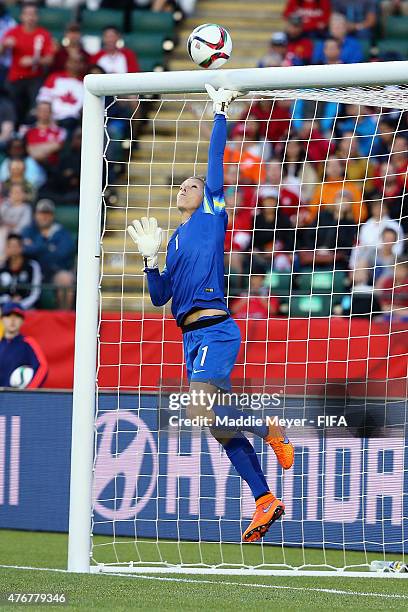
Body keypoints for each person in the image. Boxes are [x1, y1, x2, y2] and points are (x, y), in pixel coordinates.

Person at [127, 85, 294, 543]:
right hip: (190, 333)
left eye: (193, 186)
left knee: (202, 412)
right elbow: (160, 297)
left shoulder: (211, 216)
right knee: (217, 428)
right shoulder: (177, 239)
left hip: (216, 326)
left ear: (206, 197)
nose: (187, 187)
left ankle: (267, 426)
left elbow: (213, 167)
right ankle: (264, 499)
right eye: (182, 185)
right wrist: (149, 261)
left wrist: (220, 114)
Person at [0, 2, 55, 125]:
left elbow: (49, 59)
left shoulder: (43, 34)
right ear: (22, 16)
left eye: (33, 14)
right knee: (10, 106)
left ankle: (31, 129)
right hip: (15, 76)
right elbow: (1, 53)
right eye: (27, 14)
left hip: (35, 77)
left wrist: (34, 60)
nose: (30, 17)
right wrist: (4, 45)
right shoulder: (13, 32)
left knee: (35, 106)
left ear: (38, 17)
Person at [22, 199, 75, 309]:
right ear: (35, 214)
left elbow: (62, 254)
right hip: (30, 271)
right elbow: (24, 250)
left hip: (52, 272)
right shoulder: (28, 230)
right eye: (41, 213)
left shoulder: (61, 232)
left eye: (47, 213)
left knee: (65, 278)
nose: (44, 217)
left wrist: (36, 247)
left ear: (52, 215)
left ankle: (63, 317)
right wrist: (47, 247)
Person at [0, 301, 48, 388]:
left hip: (18, 399)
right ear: (2, 319)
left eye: (17, 316)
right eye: (8, 316)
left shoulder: (28, 343)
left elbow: (42, 368)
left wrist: (28, 392)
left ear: (22, 321)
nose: (12, 320)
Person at [36, 54, 85, 130]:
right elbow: (43, 98)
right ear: (67, 63)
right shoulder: (55, 77)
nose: (75, 65)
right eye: (72, 61)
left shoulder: (84, 83)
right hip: (51, 117)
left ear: (83, 65)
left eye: (78, 62)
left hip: (71, 120)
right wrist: (48, 116)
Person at [0, 233, 41, 308]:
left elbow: (35, 293)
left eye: (15, 246)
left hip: (28, 309)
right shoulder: (2, 267)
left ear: (21, 247)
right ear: (6, 248)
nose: (13, 249)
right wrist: (8, 301)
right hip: (4, 309)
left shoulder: (32, 266)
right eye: (10, 246)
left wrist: (20, 305)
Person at [25, 101, 66, 169]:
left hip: (53, 167)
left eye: (46, 110)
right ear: (36, 112)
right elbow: (32, 152)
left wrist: (37, 147)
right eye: (41, 110)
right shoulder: (29, 131)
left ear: (51, 113)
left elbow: (57, 146)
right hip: (33, 167)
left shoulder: (59, 131)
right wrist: (49, 146)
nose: (44, 113)